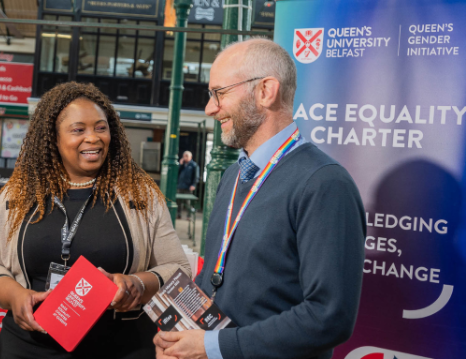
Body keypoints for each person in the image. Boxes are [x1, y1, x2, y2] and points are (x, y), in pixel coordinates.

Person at [154, 39, 365, 359]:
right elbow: (216, 274)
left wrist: (213, 347)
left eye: (219, 93)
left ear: (266, 91)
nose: (211, 108)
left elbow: (329, 316)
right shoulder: (232, 176)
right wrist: (177, 335)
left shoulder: (325, 183)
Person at [0, 82, 191, 359]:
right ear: (53, 138)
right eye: (79, 130)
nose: (93, 138)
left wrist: (136, 283)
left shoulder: (140, 194)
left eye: (101, 127)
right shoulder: (19, 194)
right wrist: (15, 296)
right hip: (29, 346)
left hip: (120, 347)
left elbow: (179, 268)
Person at [176, 151, 199, 219]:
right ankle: (178, 214)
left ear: (191, 157)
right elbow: (177, 173)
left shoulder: (194, 165)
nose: (185, 158)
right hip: (180, 185)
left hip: (188, 186)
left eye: (187, 156)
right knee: (178, 202)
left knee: (188, 202)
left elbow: (196, 176)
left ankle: (189, 216)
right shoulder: (182, 165)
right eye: (184, 156)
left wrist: (193, 185)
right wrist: (180, 165)